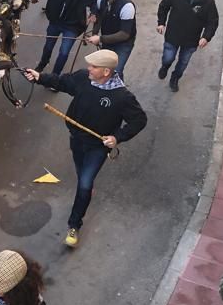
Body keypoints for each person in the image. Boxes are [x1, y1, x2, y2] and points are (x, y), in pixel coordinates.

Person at [22, 50, 147, 247]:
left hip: (97, 147)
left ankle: (74, 225)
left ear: (106, 71)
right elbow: (62, 82)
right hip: (76, 139)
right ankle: (85, 191)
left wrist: (117, 138)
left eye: (94, 67)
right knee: (82, 175)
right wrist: (40, 77)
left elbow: (139, 120)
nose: (89, 68)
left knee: (85, 183)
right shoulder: (83, 78)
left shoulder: (122, 97)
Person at [30, 0, 96, 76]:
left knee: (64, 52)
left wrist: (93, 13)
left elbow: (94, 1)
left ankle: (55, 76)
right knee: (48, 46)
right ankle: (42, 64)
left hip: (72, 26)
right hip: (55, 22)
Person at [157, 0, 219, 91]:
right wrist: (161, 23)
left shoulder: (209, 3)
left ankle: (175, 78)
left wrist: (206, 37)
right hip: (172, 36)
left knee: (183, 63)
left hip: (191, 41)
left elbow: (212, 22)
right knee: (168, 57)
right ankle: (165, 66)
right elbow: (164, 6)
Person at [88, 0, 137, 79]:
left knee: (116, 72)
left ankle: (119, 92)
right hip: (107, 40)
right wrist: (94, 33)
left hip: (123, 44)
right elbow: (98, 18)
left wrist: (100, 38)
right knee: (105, 70)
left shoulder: (127, 7)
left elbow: (124, 34)